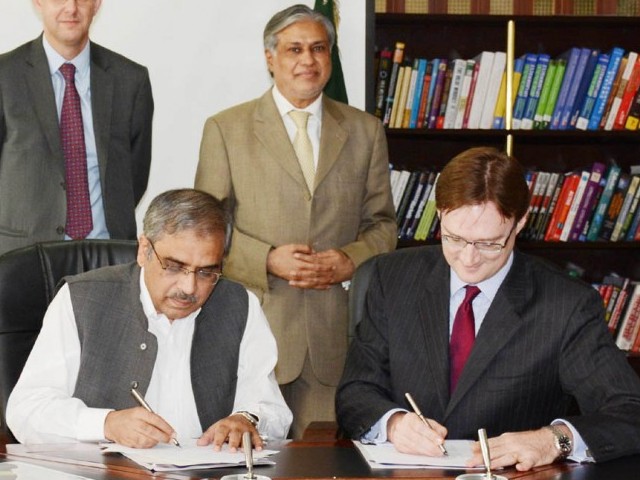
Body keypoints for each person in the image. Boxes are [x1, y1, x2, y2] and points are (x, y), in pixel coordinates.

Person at [336, 147, 640, 470]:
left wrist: (553, 439)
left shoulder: (565, 304)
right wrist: (393, 423)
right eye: (453, 238)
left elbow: (630, 410)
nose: (468, 259)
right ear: (439, 214)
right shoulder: (392, 278)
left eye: (489, 244)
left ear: (520, 223)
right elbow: (355, 391)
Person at [195, 4, 396, 438]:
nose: (308, 60)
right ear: (270, 58)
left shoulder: (365, 131)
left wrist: (348, 260)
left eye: (319, 49)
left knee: (324, 461)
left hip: (334, 338)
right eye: (294, 49)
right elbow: (204, 232)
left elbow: (382, 226)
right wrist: (266, 259)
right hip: (254, 332)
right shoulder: (226, 128)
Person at [7, 189, 292, 448]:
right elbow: (25, 411)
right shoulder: (79, 298)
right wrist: (106, 424)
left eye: (206, 272)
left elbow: (273, 411)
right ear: (144, 250)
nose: (189, 288)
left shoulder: (240, 305)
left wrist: (247, 419)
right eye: (174, 266)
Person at [0, 0, 153, 256]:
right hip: (23, 254)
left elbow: (134, 175)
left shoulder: (131, 80)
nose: (71, 8)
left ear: (97, 4)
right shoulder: (5, 76)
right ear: (38, 2)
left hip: (108, 254)